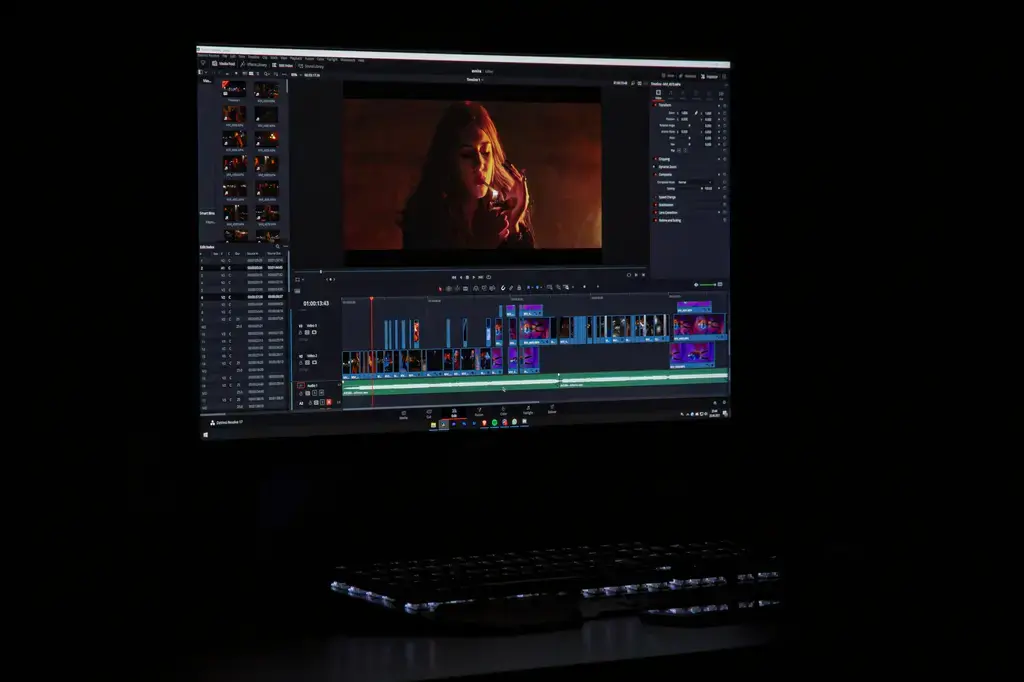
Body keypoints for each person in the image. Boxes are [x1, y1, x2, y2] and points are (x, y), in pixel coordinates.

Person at [401, 101, 534, 249]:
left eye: (485, 152)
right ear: (449, 160)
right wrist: (485, 245)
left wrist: (513, 223)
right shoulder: (426, 220)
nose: (479, 164)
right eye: (467, 154)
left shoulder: (498, 215)